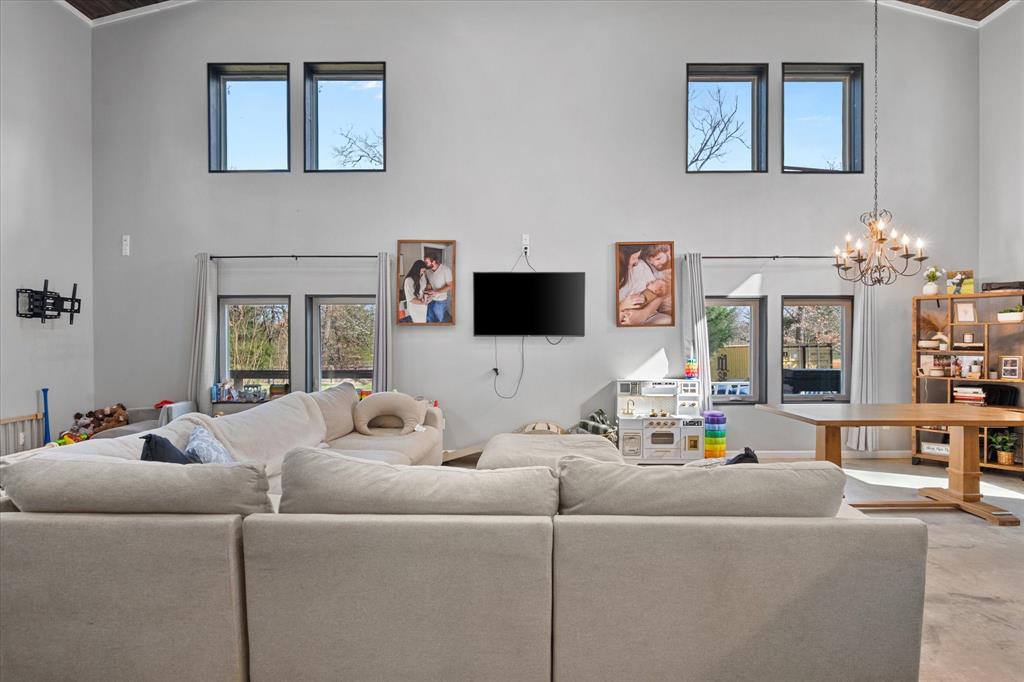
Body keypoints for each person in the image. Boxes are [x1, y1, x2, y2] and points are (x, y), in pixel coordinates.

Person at [618, 243, 672, 326]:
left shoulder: (640, 266)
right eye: (634, 257)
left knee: (667, 321)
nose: (636, 261)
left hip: (648, 315)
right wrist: (621, 306)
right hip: (623, 318)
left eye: (637, 257)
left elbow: (659, 294)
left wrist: (643, 314)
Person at [424, 253, 454, 323]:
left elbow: (451, 285)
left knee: (438, 321)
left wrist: (437, 292)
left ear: (433, 262)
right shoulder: (428, 271)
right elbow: (430, 284)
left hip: (441, 301)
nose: (425, 264)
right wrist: (428, 290)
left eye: (426, 262)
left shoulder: (446, 270)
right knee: (429, 319)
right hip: (431, 300)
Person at [401, 259, 430, 324]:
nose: (422, 273)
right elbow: (410, 299)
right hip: (414, 307)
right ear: (416, 270)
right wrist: (423, 302)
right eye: (421, 271)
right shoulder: (409, 280)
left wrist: (427, 294)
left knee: (423, 322)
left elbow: (423, 287)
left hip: (423, 305)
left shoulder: (422, 276)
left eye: (424, 271)